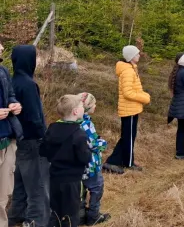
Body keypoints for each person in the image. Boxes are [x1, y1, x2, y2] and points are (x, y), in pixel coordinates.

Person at [8, 45, 50, 227]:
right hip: (33, 140)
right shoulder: (28, 84)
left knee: (20, 182)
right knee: (37, 184)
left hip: (19, 139)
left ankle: (15, 216)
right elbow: (34, 117)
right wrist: (44, 137)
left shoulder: (12, 81)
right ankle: (35, 221)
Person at [40, 94, 92, 227]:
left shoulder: (52, 128)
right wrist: (89, 149)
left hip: (54, 178)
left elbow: (43, 151)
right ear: (75, 111)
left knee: (55, 212)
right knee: (71, 214)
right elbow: (85, 158)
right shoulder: (79, 134)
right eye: (81, 106)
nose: (83, 108)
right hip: (72, 181)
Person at [103, 45, 150, 173]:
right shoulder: (128, 71)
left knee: (128, 136)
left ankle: (118, 161)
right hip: (129, 109)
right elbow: (128, 93)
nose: (139, 55)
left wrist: (143, 96)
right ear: (131, 56)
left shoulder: (131, 69)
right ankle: (124, 163)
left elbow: (135, 89)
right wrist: (144, 98)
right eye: (137, 53)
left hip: (132, 108)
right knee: (128, 137)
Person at [78, 92, 111, 225]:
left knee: (80, 191)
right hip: (90, 165)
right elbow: (93, 144)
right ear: (87, 106)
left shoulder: (72, 121)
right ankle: (93, 216)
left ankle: (80, 216)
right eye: (94, 104)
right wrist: (103, 143)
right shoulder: (86, 124)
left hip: (78, 165)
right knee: (97, 188)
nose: (95, 106)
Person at [0, 42, 23, 227]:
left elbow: (10, 95)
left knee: (3, 196)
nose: (2, 48)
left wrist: (15, 104)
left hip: (6, 140)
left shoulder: (3, 71)